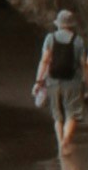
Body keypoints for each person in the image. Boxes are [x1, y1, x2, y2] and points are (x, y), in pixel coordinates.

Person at [35, 8, 84, 137]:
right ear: (71, 24)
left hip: (53, 80)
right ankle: (66, 141)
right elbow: (84, 65)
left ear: (58, 24)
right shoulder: (78, 41)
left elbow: (44, 61)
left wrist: (38, 82)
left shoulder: (50, 38)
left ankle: (60, 142)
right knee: (71, 114)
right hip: (72, 81)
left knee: (58, 116)